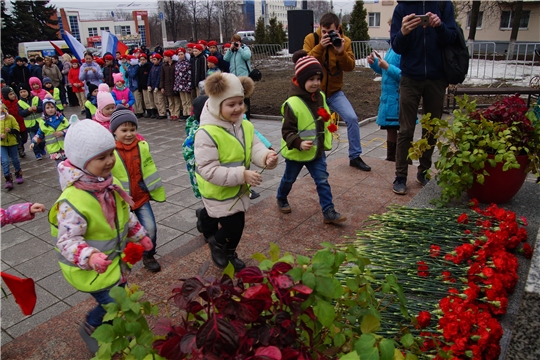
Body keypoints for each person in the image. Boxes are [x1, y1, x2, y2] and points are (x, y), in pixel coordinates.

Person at [48, 119, 153, 354]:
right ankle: (91, 325)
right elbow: (67, 241)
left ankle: (114, 323)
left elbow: (125, 215)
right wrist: (90, 256)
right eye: (101, 157)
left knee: (120, 294)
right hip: (92, 268)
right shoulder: (73, 200)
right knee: (112, 301)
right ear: (82, 162)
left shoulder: (110, 184)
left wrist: (140, 235)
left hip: (114, 261)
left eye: (111, 154)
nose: (110, 161)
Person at [194, 72, 278, 271]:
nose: (238, 108)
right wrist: (242, 175)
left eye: (241, 103)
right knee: (234, 226)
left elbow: (254, 147)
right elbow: (208, 170)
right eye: (231, 104)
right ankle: (218, 243)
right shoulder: (206, 133)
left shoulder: (245, 125)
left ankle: (229, 250)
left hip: (238, 188)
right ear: (217, 105)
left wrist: (266, 157)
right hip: (218, 190)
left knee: (237, 222)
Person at [390, 1, 458, 195]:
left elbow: (452, 37)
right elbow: (396, 47)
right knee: (405, 129)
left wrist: (440, 26)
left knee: (431, 128)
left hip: (437, 78)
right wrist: (403, 31)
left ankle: (424, 171)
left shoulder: (443, 5)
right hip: (410, 77)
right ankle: (400, 176)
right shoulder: (402, 8)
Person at [276, 51, 346, 224]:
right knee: (289, 179)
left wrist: (330, 125)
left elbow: (324, 115)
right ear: (301, 80)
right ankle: (281, 197)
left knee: (322, 180)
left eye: (318, 78)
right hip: (298, 152)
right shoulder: (292, 103)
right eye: (311, 79)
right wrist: (299, 143)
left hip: (316, 151)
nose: (315, 83)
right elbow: (287, 131)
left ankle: (328, 211)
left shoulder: (321, 96)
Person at [303, 12, 371, 172]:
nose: (326, 35)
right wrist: (320, 46)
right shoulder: (311, 39)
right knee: (317, 124)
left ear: (338, 29)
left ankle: (355, 156)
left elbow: (350, 67)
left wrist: (340, 51)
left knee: (352, 118)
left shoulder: (344, 42)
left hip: (334, 92)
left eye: (330, 32)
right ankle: (318, 161)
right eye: (323, 32)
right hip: (315, 92)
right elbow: (304, 62)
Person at [110, 106, 166, 272]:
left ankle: (149, 255)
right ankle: (124, 254)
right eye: (124, 130)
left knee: (150, 228)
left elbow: (147, 169)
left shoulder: (142, 147)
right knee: (120, 233)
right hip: (120, 201)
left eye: (132, 129)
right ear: (114, 132)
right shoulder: (109, 152)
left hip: (140, 197)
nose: (129, 134)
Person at [367, 20, 403, 162]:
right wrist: (375, 64)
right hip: (389, 98)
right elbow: (386, 71)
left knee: (400, 130)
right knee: (390, 128)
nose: (389, 31)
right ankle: (390, 158)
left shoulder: (402, 50)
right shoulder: (392, 48)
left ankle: (403, 160)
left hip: (397, 98)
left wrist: (387, 66)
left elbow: (404, 76)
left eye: (392, 28)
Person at [30, 94, 69, 164]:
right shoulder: (43, 122)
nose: (50, 109)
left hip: (65, 147)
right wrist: (33, 142)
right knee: (59, 166)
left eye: (52, 107)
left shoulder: (61, 118)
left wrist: (63, 132)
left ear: (55, 108)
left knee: (68, 165)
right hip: (53, 149)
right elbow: (39, 134)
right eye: (47, 108)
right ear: (44, 110)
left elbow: (70, 129)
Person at [223, 34, 252, 118]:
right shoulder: (232, 51)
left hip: (243, 77)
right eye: (233, 42)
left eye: (236, 42)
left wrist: (239, 49)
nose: (234, 44)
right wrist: (230, 49)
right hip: (234, 77)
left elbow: (247, 56)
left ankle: (247, 115)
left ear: (240, 42)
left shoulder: (244, 48)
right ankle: (239, 114)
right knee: (236, 96)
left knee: (245, 97)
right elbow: (225, 58)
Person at [17, 83, 45, 160]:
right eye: (21, 92)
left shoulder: (36, 98)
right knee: (34, 140)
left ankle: (42, 148)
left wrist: (36, 108)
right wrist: (28, 111)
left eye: (24, 91)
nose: (23, 93)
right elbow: (21, 113)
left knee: (42, 139)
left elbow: (42, 107)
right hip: (30, 125)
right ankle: (37, 153)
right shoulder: (19, 102)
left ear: (28, 91)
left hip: (39, 123)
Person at [1, 106, 23, 189]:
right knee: (5, 161)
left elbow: (17, 128)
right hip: (2, 144)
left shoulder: (11, 118)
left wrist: (10, 130)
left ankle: (18, 174)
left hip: (12, 143)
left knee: (15, 159)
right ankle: (8, 179)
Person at [1, 86, 27, 158]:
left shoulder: (18, 102)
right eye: (10, 94)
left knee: (25, 138)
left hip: (21, 122)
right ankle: (20, 150)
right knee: (17, 139)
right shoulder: (4, 106)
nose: (13, 96)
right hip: (13, 125)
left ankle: (21, 145)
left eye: (13, 94)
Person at [160, 50, 180, 120]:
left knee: (176, 100)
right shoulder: (164, 66)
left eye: (165, 57)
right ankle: (172, 113)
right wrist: (162, 87)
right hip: (167, 85)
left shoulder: (176, 64)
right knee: (170, 101)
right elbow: (162, 77)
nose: (164, 58)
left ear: (169, 57)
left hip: (175, 84)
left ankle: (176, 114)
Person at [173, 48, 192, 120]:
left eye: (182, 54)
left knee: (188, 101)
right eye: (179, 55)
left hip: (186, 84)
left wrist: (189, 85)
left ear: (184, 55)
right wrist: (176, 85)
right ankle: (185, 113)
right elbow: (176, 76)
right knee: (183, 100)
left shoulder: (187, 63)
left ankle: (189, 113)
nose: (180, 56)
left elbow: (189, 75)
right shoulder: (177, 64)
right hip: (179, 85)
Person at [147, 53, 167, 119]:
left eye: (155, 59)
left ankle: (163, 113)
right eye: (152, 59)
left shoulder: (160, 67)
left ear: (159, 60)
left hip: (157, 87)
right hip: (153, 86)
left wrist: (157, 86)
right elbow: (150, 76)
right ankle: (159, 112)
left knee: (160, 100)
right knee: (156, 101)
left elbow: (159, 78)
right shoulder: (153, 67)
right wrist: (149, 84)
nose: (153, 61)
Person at [137, 53, 152, 118]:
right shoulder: (140, 67)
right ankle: (148, 111)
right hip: (142, 86)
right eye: (141, 60)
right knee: (146, 100)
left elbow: (150, 76)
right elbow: (139, 77)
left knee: (149, 99)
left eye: (143, 59)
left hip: (147, 85)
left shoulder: (149, 66)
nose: (142, 61)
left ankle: (152, 112)